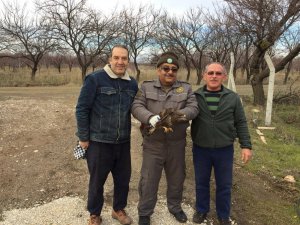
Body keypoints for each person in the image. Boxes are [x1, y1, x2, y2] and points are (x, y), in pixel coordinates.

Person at [131, 52, 199, 225]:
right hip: (153, 143)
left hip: (177, 143)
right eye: (165, 68)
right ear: (158, 70)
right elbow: (136, 105)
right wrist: (149, 117)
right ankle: (145, 212)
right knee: (149, 180)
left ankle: (175, 207)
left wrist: (177, 115)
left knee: (177, 178)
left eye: (173, 69)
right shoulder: (146, 87)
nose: (169, 72)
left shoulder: (185, 88)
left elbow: (193, 108)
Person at [75, 45, 138, 225]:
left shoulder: (132, 83)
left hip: (123, 142)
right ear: (110, 59)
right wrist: (83, 137)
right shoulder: (95, 79)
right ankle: (94, 214)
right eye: (116, 58)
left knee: (123, 180)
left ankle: (118, 210)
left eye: (124, 58)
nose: (120, 62)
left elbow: (136, 109)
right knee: (97, 182)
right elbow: (82, 109)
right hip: (99, 141)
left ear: (128, 60)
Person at [190, 62, 252, 225]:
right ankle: (202, 210)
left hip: (224, 149)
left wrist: (246, 145)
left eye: (218, 73)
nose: (214, 76)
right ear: (204, 75)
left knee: (224, 184)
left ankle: (223, 215)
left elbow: (241, 122)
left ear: (224, 76)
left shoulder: (232, 98)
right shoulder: (195, 97)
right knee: (201, 182)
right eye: (210, 73)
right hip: (201, 148)